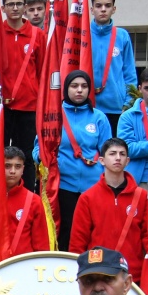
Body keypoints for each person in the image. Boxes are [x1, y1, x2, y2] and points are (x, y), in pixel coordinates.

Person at [68, 139, 148, 282]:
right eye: (112, 154)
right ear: (102, 160)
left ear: (128, 161)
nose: (118, 158)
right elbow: (78, 242)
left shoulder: (142, 196)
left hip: (132, 274)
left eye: (122, 154)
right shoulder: (87, 197)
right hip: (97, 272)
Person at [46, 70, 111, 250]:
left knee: (94, 230)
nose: (79, 90)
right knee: (66, 230)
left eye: (84, 86)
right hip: (64, 185)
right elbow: (39, 148)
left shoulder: (99, 117)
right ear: (66, 89)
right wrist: (48, 159)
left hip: (94, 186)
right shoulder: (53, 114)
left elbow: (108, 150)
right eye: (74, 86)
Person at [0, 0, 42, 191]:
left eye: (18, 4)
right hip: (2, 107)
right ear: (3, 7)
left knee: (28, 152)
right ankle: (0, 191)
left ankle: (28, 193)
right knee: (0, 152)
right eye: (10, 4)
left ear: (25, 7)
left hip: (29, 107)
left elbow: (42, 71)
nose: (14, 8)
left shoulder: (37, 35)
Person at [89, 0, 137, 134]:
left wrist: (128, 103)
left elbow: (129, 73)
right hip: (89, 106)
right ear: (92, 9)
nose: (103, 9)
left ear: (114, 9)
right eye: (98, 6)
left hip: (116, 108)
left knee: (114, 151)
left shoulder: (122, 36)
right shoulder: (82, 34)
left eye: (107, 6)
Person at [119, 66, 148, 185]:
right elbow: (126, 149)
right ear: (140, 89)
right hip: (140, 181)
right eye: (147, 88)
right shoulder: (127, 116)